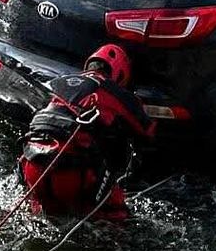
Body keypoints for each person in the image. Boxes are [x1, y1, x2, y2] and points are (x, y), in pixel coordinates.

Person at [18, 44, 153, 222]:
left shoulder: (57, 82)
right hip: (73, 173)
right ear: (120, 73)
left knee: (44, 218)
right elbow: (147, 131)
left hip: (32, 165)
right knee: (115, 218)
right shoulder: (113, 90)